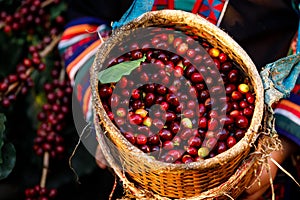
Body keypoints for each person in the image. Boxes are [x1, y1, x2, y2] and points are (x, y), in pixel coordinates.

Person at [58, 0, 300, 199]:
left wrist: (282, 138)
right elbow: (81, 28)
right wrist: (98, 107)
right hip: (140, 174)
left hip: (254, 156)